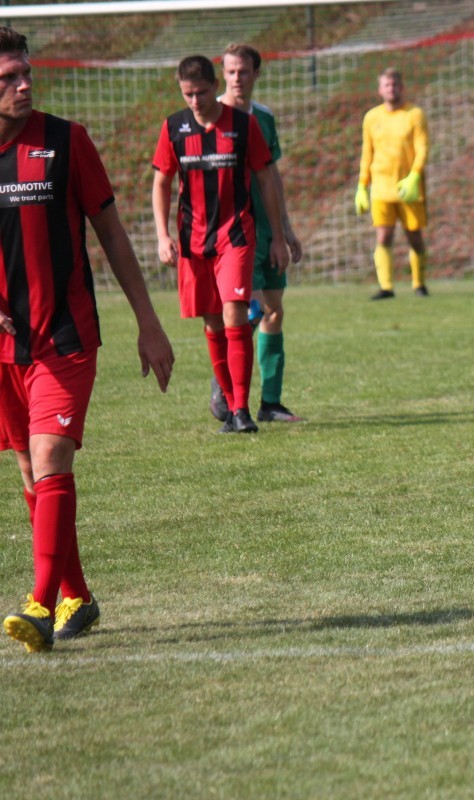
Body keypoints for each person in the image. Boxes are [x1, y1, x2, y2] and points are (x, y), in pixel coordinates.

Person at [0, 26, 174, 652]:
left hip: (66, 338)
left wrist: (148, 324)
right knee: (28, 470)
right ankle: (77, 592)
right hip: (5, 353)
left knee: (50, 461)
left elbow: (113, 235)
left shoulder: (66, 141)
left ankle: (41, 605)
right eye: (8, 79)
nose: (23, 86)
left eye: (25, 74)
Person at [152, 54, 289, 433]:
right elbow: (162, 181)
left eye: (200, 93)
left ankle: (243, 409)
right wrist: (162, 235)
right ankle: (229, 407)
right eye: (187, 95)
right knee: (212, 324)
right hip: (193, 241)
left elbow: (265, 179)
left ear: (214, 86)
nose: (194, 102)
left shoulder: (243, 125)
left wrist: (278, 235)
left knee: (235, 314)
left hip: (236, 236)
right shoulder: (174, 128)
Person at [207, 43, 305, 425]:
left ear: (256, 74)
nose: (237, 78)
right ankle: (227, 384)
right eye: (230, 72)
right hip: (233, 230)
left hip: (267, 228)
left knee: (275, 310)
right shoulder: (211, 115)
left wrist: (286, 229)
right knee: (253, 309)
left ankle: (271, 403)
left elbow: (272, 175)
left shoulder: (263, 118)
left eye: (243, 71)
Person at [355, 67, 430, 299]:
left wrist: (415, 175)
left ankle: (419, 284)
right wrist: (361, 186)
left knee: (414, 236)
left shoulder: (414, 114)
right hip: (381, 188)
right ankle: (386, 287)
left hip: (408, 187)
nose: (391, 89)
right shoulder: (372, 117)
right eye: (387, 85)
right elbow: (367, 152)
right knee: (383, 236)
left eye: (395, 85)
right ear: (380, 89)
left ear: (402, 88)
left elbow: (422, 147)